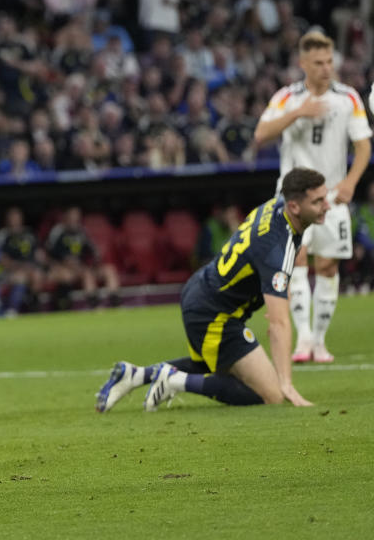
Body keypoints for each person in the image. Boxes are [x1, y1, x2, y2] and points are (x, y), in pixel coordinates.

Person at [96, 167, 328, 413]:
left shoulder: (276, 207)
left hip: (203, 292)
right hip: (213, 313)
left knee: (215, 365)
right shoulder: (276, 248)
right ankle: (173, 380)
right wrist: (286, 383)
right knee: (271, 393)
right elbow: (278, 324)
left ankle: (135, 375)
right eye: (318, 201)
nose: (327, 206)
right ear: (294, 206)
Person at [253, 30, 372, 363]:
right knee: (298, 262)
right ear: (303, 63)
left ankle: (319, 342)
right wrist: (298, 113)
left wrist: (350, 182)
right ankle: (303, 339)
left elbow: (363, 145)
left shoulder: (347, 98)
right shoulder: (287, 98)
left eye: (329, 61)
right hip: (291, 197)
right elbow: (261, 134)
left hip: (332, 195)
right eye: (318, 62)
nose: (325, 68)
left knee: (328, 266)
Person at [40, 206, 119, 308]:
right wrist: (61, 263)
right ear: (66, 217)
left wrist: (96, 258)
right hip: (64, 269)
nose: (74, 220)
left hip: (82, 266)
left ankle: (115, 302)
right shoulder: (58, 231)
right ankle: (93, 304)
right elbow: (47, 253)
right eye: (72, 217)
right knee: (84, 274)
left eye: (76, 217)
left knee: (109, 270)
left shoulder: (81, 231)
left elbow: (93, 251)